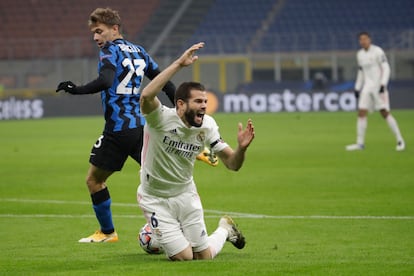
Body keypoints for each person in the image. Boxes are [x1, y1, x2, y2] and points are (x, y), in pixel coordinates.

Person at [56, 7, 179, 243]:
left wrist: (76, 89)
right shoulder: (140, 51)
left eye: (99, 31)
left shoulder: (110, 51)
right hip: (142, 129)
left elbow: (106, 81)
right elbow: (165, 82)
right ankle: (182, 229)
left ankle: (107, 232)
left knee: (94, 180)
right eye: (93, 33)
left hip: (118, 131)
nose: (96, 38)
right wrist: (179, 111)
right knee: (165, 180)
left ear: (115, 29)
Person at [137, 42, 255, 261]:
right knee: (184, 257)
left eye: (206, 102)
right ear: (180, 105)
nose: (204, 106)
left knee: (204, 257)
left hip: (185, 195)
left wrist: (241, 149)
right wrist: (179, 64)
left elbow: (232, 164)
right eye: (198, 101)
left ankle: (224, 230)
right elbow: (145, 96)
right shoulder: (159, 119)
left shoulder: (208, 126)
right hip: (155, 197)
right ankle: (159, 229)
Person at [346, 32, 405, 151]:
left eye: (365, 39)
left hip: (378, 87)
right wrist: (357, 87)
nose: (363, 41)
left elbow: (386, 68)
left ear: (370, 39)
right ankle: (360, 143)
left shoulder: (378, 51)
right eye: (361, 40)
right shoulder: (360, 54)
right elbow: (361, 72)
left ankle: (400, 140)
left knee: (384, 112)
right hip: (367, 88)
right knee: (361, 112)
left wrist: (383, 83)